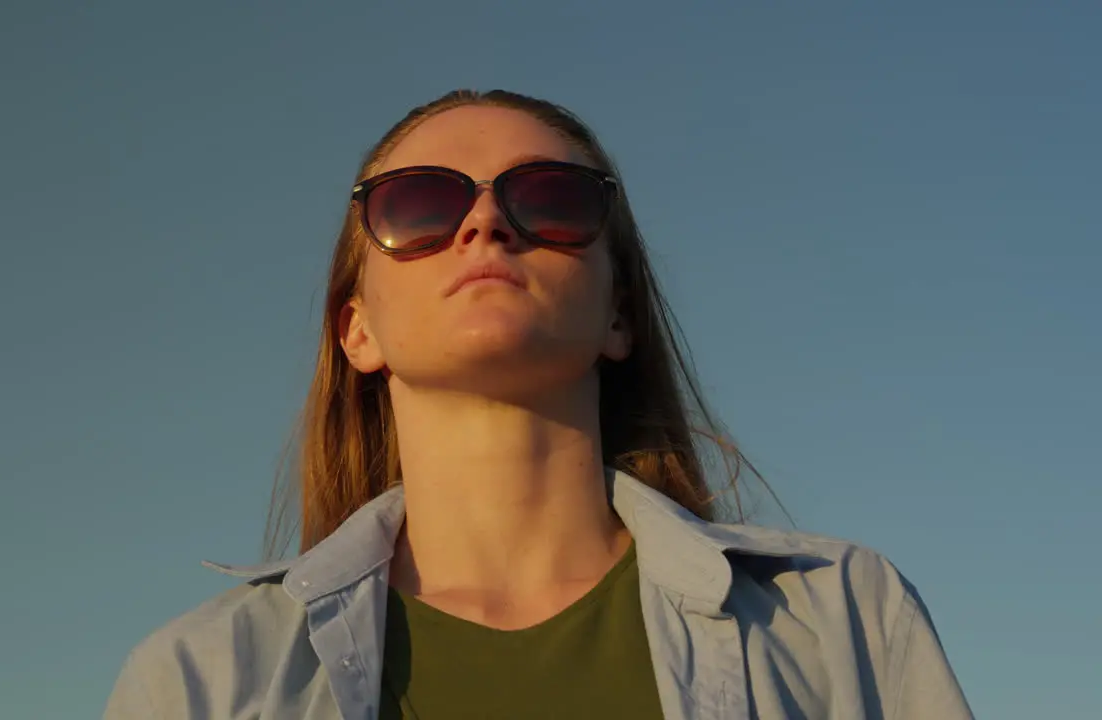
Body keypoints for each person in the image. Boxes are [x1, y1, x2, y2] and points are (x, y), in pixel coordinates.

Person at [103, 89, 973, 720]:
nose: (485, 223)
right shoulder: (199, 679)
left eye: (550, 199)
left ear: (619, 315)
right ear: (356, 330)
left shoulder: (843, 618)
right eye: (419, 205)